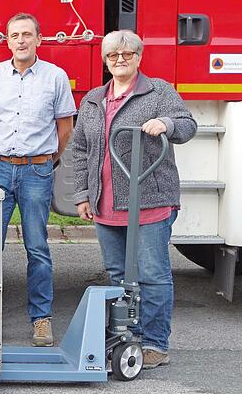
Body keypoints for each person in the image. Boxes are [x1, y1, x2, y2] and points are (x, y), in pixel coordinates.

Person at [71, 29, 196, 369]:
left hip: (150, 201)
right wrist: (83, 194)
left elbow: (187, 125)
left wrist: (165, 123)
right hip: (106, 203)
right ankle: (130, 337)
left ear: (139, 58)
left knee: (153, 275)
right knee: (117, 274)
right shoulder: (94, 99)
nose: (120, 59)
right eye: (113, 55)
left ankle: (155, 343)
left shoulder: (158, 91)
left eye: (127, 54)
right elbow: (80, 149)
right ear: (105, 60)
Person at [0, 12, 76, 347]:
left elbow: (66, 128)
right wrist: (4, 155)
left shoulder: (55, 77)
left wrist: (46, 160)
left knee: (38, 247)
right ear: (7, 40)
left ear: (39, 39)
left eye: (27, 34)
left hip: (37, 170)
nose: (20, 40)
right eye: (14, 35)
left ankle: (41, 320)